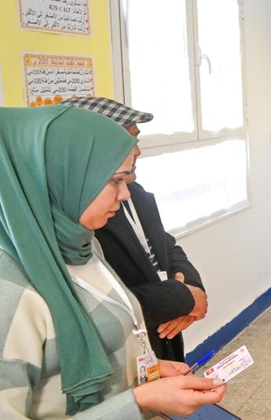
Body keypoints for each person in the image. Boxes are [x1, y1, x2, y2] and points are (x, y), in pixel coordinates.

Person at [0, 105, 225, 418]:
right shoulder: (9, 291)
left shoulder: (83, 245)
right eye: (115, 180)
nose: (125, 195)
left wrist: (139, 375)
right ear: (63, 177)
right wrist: (138, 401)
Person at [58, 96, 207, 362]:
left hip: (162, 332)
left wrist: (192, 286)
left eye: (136, 138)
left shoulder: (135, 194)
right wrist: (179, 297)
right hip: (121, 347)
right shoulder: (76, 217)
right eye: (126, 141)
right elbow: (95, 304)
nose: (137, 151)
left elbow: (166, 246)